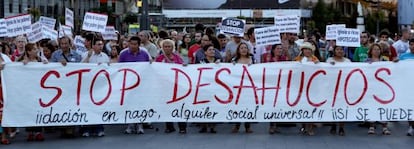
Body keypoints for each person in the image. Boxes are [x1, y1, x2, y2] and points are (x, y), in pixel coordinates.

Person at [119, 36, 150, 134]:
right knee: (129, 103)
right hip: (128, 83)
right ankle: (130, 124)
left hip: (141, 83)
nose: (132, 46)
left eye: (135, 44)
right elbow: (119, 68)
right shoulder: (123, 54)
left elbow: (149, 67)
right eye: (131, 44)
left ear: (139, 45)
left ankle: (140, 124)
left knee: (140, 103)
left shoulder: (144, 54)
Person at [155, 39, 187, 134]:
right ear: (162, 47)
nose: (167, 48)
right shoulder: (159, 59)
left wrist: (184, 66)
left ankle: (182, 127)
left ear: (173, 48)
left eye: (169, 46)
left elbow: (183, 69)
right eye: (165, 46)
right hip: (165, 86)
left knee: (180, 106)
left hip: (177, 86)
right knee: (167, 106)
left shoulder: (177, 58)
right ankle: (169, 126)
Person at [17, 43, 47, 141]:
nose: (36, 50)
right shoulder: (23, 60)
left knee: (38, 109)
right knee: (29, 110)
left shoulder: (40, 60)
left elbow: (47, 65)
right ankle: (30, 132)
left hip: (39, 88)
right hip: (28, 90)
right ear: (29, 51)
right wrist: (21, 64)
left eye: (36, 49)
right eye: (34, 49)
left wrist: (45, 62)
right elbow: (12, 67)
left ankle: (38, 132)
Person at [326, 46, 351, 136]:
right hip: (332, 87)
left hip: (344, 87)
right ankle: (333, 124)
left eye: (341, 49)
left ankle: (341, 127)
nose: (340, 51)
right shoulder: (329, 60)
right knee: (333, 106)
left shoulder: (348, 61)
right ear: (334, 51)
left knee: (343, 107)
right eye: (338, 49)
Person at [231, 42, 255, 133]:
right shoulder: (234, 60)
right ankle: (236, 125)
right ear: (238, 50)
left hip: (249, 86)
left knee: (248, 106)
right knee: (237, 106)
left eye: (245, 48)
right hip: (238, 87)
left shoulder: (252, 59)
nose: (244, 49)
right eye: (242, 48)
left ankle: (247, 126)